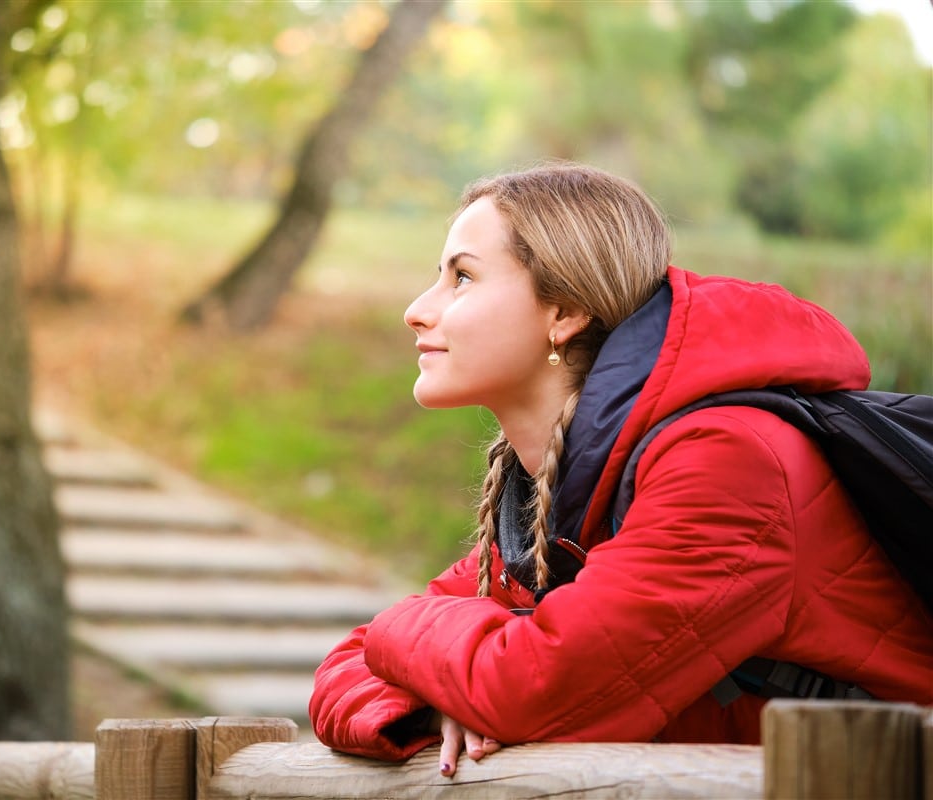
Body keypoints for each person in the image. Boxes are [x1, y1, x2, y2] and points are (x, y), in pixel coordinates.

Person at [307, 162, 933, 776]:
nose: (418, 309)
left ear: (565, 312)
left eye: (462, 278)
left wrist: (401, 631)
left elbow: (536, 688)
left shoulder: (727, 462)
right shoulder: (555, 500)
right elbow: (341, 673)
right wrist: (431, 703)